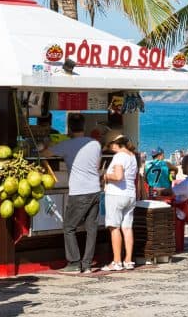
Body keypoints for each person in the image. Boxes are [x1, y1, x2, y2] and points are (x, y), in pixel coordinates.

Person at [41, 113, 101, 273]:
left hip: (79, 191)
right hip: (95, 189)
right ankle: (87, 264)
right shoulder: (95, 144)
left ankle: (74, 263)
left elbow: (45, 154)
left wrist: (47, 146)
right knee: (91, 228)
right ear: (84, 126)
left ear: (69, 127)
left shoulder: (67, 145)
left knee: (69, 226)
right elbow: (97, 164)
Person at [101, 131, 137, 272]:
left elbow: (118, 176)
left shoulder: (119, 156)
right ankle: (128, 260)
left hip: (116, 195)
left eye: (110, 146)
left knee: (114, 227)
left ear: (116, 144)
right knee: (127, 228)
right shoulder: (132, 156)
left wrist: (105, 176)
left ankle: (116, 262)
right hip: (130, 194)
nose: (110, 149)